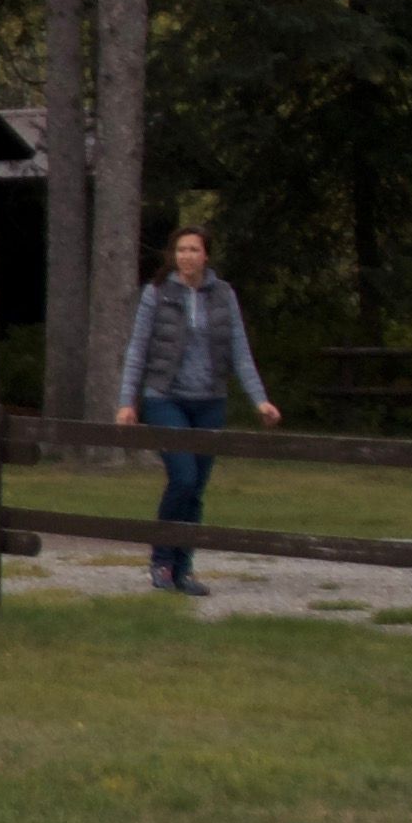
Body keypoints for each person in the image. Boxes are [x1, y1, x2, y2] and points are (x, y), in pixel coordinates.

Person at [114, 225, 280, 594]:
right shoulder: (156, 294)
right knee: (183, 477)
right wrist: (127, 402)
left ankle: (184, 568)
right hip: (165, 397)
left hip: (209, 401)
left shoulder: (223, 295)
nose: (186, 256)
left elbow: (240, 350)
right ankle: (161, 562)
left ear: (206, 255)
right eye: (180, 250)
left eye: (193, 249)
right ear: (173, 256)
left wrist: (259, 399)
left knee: (196, 488)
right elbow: (138, 350)